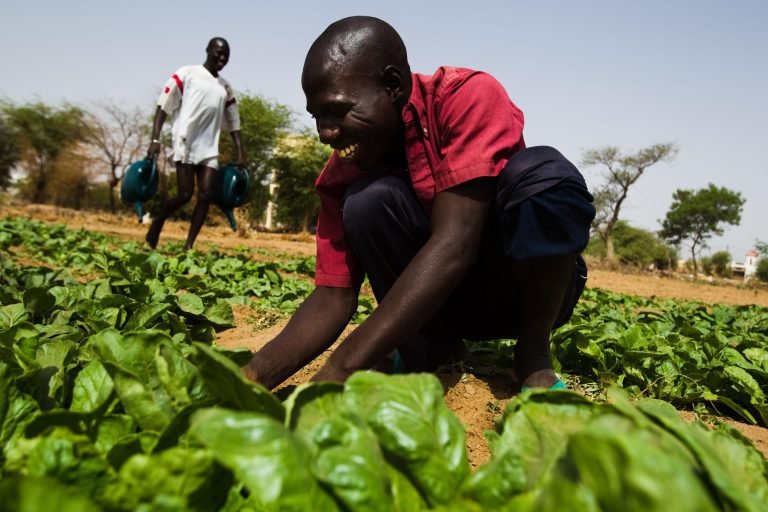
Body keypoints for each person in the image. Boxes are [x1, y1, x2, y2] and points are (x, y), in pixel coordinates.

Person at [243, 16, 595, 389]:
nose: (325, 133)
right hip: (439, 302)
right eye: (318, 116)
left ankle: (533, 353)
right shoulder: (341, 175)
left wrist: (336, 373)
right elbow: (333, 295)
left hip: (515, 289)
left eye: (339, 110)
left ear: (392, 85)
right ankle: (432, 347)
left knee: (543, 174)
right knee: (367, 200)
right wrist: (249, 379)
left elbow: (455, 245)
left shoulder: (466, 97)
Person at [145, 37, 245, 251]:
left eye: (226, 55)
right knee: (184, 194)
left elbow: (234, 121)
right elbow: (163, 107)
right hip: (186, 141)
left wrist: (240, 152)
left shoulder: (225, 88)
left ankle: (188, 245)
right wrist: (155, 139)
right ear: (208, 50)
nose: (222, 57)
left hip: (210, 147)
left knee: (206, 194)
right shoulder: (187, 74)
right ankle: (158, 221)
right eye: (218, 52)